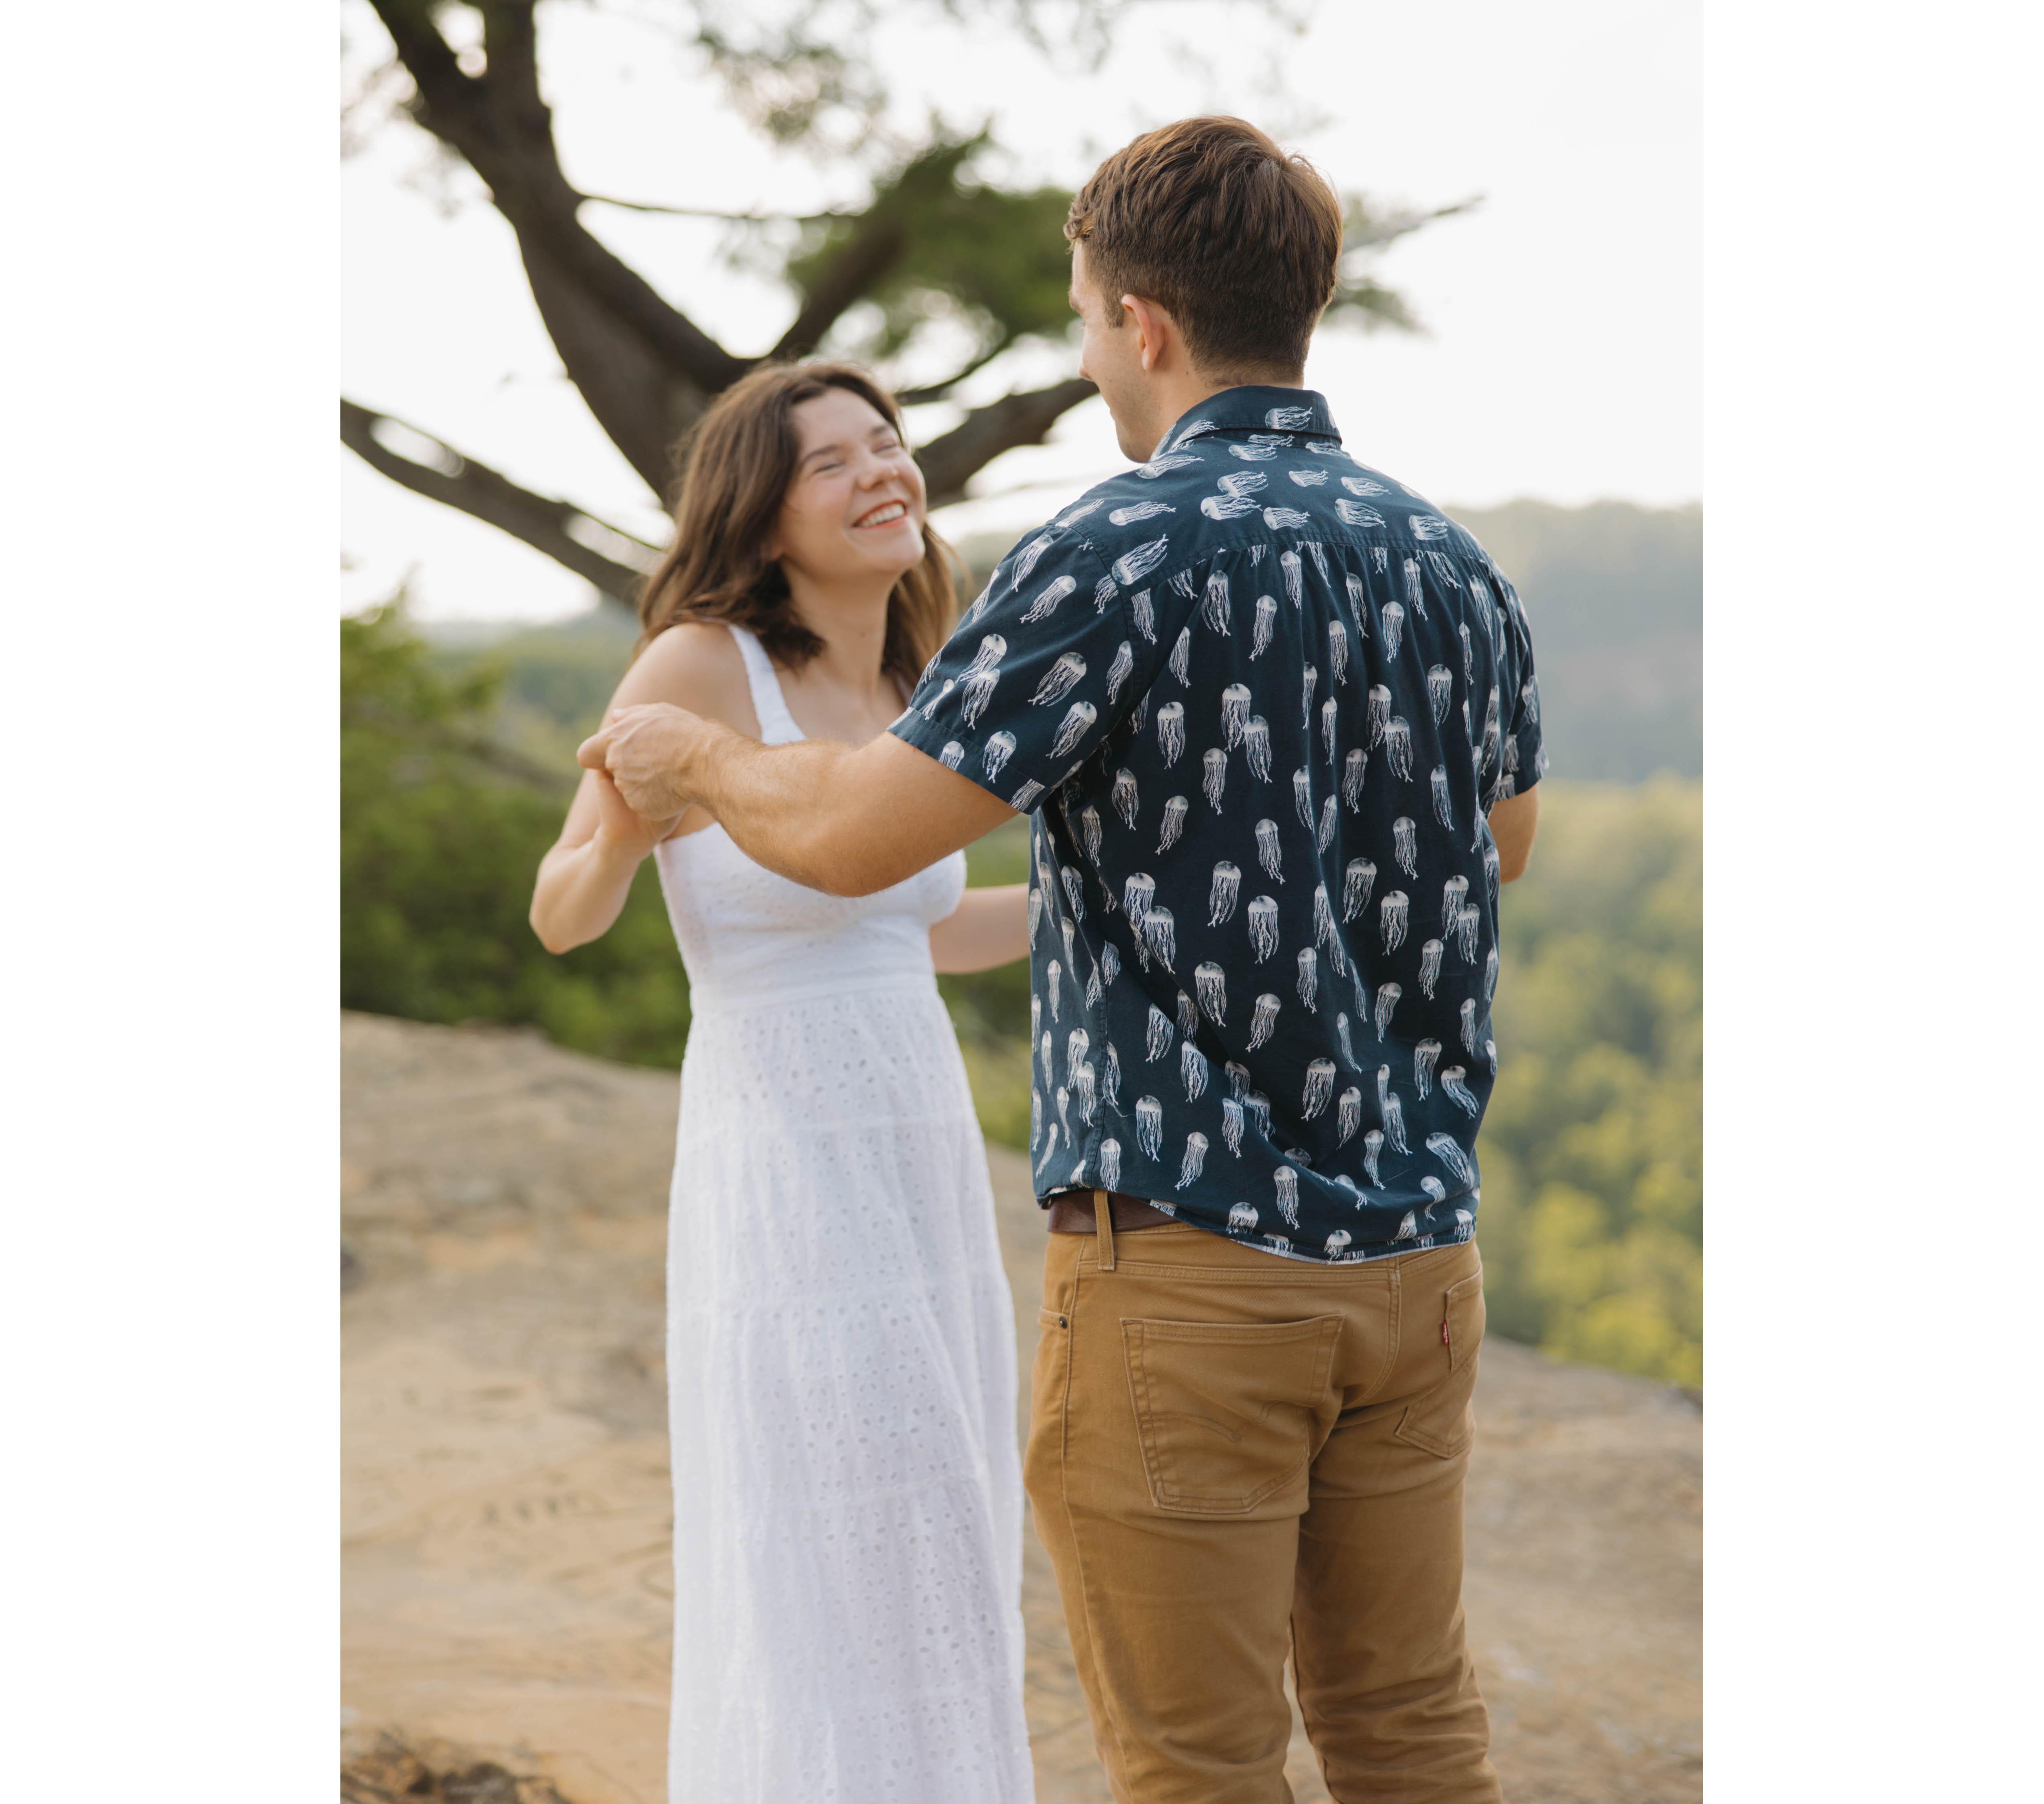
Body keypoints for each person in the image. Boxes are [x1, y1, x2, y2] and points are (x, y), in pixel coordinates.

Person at [583, 116, 1546, 1804]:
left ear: (1143, 323)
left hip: (1191, 1266)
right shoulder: (1446, 562)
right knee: (1411, 1735)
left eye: (1090, 316)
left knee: (1195, 1760)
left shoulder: (1109, 550)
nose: (1090, 352)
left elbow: (857, 837)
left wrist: (703, 771)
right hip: (1418, 1265)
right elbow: (1501, 843)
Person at [530, 362, 1036, 1804]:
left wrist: (1097, 914)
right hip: (781, 1146)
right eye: (835, 463)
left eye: (890, 445)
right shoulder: (698, 666)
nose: (884, 471)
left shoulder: (917, 683)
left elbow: (926, 928)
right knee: (839, 1535)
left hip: (919, 1144)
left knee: (945, 1516)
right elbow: (561, 910)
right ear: (761, 521)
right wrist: (625, 826)